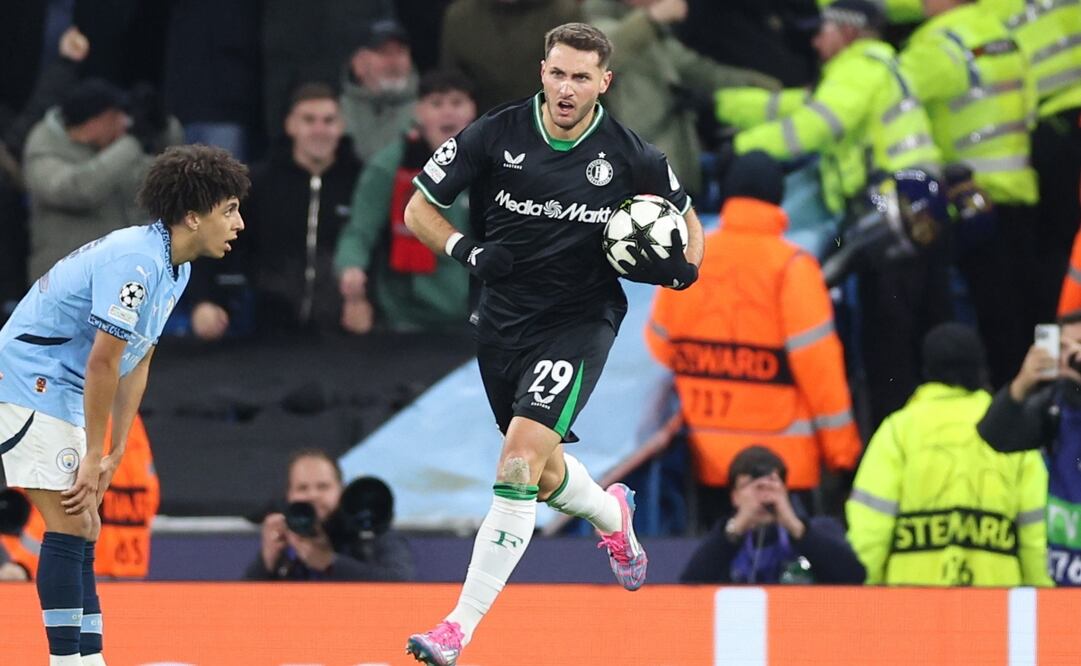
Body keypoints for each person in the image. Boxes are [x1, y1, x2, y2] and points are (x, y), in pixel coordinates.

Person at [402, 23, 705, 665]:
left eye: (581, 77)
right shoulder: (496, 133)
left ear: (605, 82)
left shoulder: (632, 156)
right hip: (503, 321)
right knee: (537, 475)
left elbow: (686, 220)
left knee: (516, 462)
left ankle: (457, 628)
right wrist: (469, 250)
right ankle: (609, 513)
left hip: (579, 321)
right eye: (557, 73)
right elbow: (418, 208)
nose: (567, 89)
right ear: (542, 71)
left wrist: (685, 265)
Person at [0, 144, 249, 666]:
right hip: (29, 383)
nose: (239, 223)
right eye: (229, 209)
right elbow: (102, 363)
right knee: (69, 523)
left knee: (85, 524)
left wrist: (113, 452)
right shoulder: (136, 262)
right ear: (192, 216)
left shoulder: (174, 266)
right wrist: (94, 454)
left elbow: (139, 359)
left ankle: (87, 656)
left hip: (59, 390)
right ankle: (68, 661)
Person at [645, 151, 861, 530]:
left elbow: (659, 354)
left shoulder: (691, 257)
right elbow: (820, 370)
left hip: (706, 466)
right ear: (778, 199)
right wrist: (842, 456)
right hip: (780, 473)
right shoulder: (792, 267)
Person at [898, 0, 1038, 389]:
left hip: (975, 197)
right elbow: (1029, 108)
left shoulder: (937, 44)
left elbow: (893, 92)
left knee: (993, 312)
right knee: (1029, 304)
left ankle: (1006, 399)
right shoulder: (1001, 32)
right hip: (1021, 187)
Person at [847, 323, 1053, 587]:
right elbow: (1036, 532)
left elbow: (869, 530)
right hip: (997, 607)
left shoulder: (899, 430)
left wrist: (859, 593)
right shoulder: (1008, 431)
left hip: (908, 609)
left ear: (927, 370)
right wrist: (1047, 599)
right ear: (981, 369)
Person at [189, 83, 363, 340]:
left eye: (328, 120)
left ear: (342, 126)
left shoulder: (361, 181)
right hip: (265, 337)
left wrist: (367, 303)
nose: (319, 130)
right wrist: (204, 302)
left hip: (345, 339)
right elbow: (211, 241)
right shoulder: (255, 183)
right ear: (290, 125)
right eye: (309, 120)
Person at [584, 0, 781, 199]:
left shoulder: (652, 33)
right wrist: (653, 18)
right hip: (633, 175)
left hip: (676, 167)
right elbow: (600, 54)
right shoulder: (594, 18)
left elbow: (694, 69)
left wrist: (750, 82)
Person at [335, 70, 478, 333]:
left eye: (457, 103)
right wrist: (351, 268)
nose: (448, 113)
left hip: (478, 319)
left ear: (472, 110)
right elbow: (359, 232)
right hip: (406, 321)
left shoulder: (498, 164)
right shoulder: (389, 166)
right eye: (436, 104)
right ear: (418, 112)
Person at [22, 77, 184, 282]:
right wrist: (131, 143)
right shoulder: (44, 146)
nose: (123, 123)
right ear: (94, 122)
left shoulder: (115, 148)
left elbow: (163, 174)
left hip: (120, 277)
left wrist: (163, 127)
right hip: (65, 283)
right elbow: (77, 191)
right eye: (115, 117)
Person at [978, 310, 1081, 586]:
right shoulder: (1055, 407)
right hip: (1065, 575)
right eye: (1063, 347)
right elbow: (995, 436)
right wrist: (1022, 382)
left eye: (1080, 345)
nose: (1073, 355)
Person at [680, 445, 865, 584]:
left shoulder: (819, 530)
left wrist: (796, 528)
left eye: (771, 485)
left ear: (785, 491)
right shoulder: (722, 541)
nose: (764, 496)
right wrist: (736, 530)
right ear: (734, 496)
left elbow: (854, 577)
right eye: (752, 487)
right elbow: (689, 585)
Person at [244, 448, 414, 581]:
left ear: (341, 490)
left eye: (323, 486)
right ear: (288, 495)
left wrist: (329, 562)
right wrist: (266, 561)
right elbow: (240, 609)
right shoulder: (282, 540)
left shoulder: (370, 532)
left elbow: (402, 583)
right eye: (302, 488)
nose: (313, 495)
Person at [440, 0, 583, 113]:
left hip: (550, 125)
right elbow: (452, 83)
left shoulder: (562, 12)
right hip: (484, 129)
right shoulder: (461, 16)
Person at [341, 18, 419, 164]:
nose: (394, 61)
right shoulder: (336, 113)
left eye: (400, 52)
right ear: (358, 63)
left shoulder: (429, 109)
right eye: (384, 52)